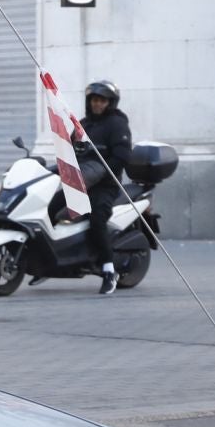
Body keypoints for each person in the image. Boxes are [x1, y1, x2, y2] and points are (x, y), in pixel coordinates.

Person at [79, 80, 135, 295]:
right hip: (81, 182)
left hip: (105, 185)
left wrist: (101, 172)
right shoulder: (84, 124)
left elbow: (123, 155)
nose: (97, 104)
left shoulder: (117, 124)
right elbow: (73, 149)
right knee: (52, 208)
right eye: (94, 100)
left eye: (101, 100)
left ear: (110, 103)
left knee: (96, 219)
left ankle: (109, 270)